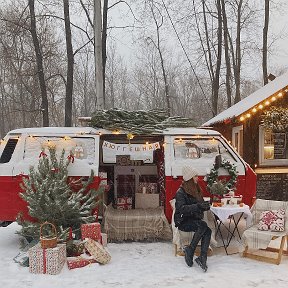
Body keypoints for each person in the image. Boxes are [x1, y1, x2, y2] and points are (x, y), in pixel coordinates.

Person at [174, 166, 211, 272]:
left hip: (194, 219)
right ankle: (190, 249)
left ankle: (202, 258)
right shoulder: (180, 192)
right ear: (190, 178)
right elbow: (181, 209)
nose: (197, 178)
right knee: (203, 225)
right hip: (183, 221)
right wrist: (198, 207)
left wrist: (205, 205)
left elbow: (200, 203)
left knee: (208, 231)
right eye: (195, 176)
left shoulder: (197, 189)